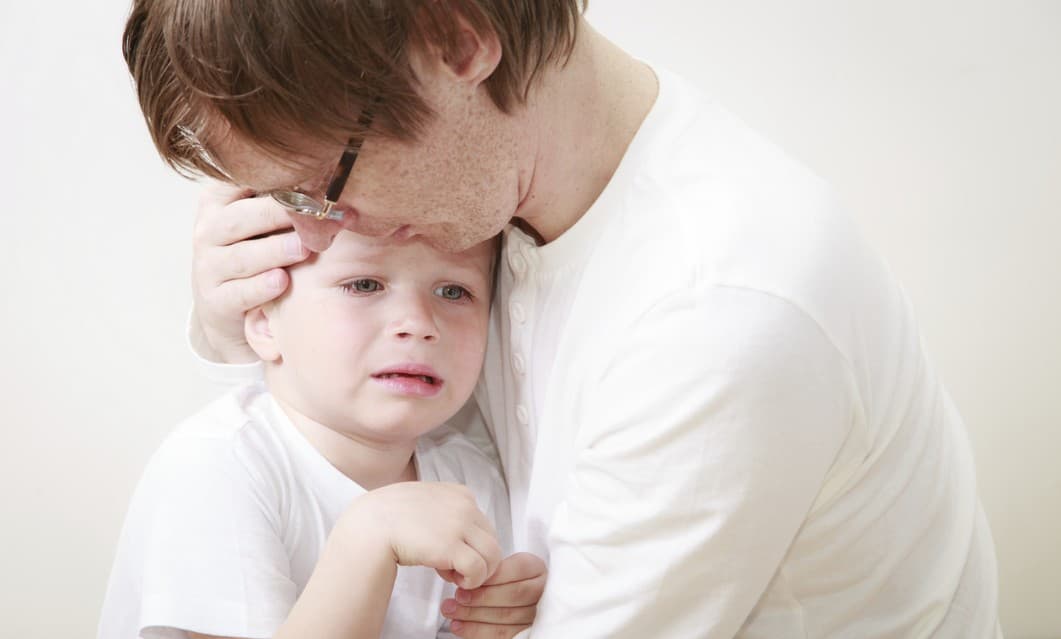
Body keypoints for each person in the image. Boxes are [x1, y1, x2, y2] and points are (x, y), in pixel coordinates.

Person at [122, 1, 1003, 636]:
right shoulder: (500, 197)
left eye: (324, 185)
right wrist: (234, 324)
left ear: (457, 41)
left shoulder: (716, 311)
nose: (316, 228)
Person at [98, 230, 547, 639]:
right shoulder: (217, 464)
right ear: (264, 324)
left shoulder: (471, 480)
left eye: (454, 291)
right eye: (365, 285)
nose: (419, 322)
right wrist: (368, 538)